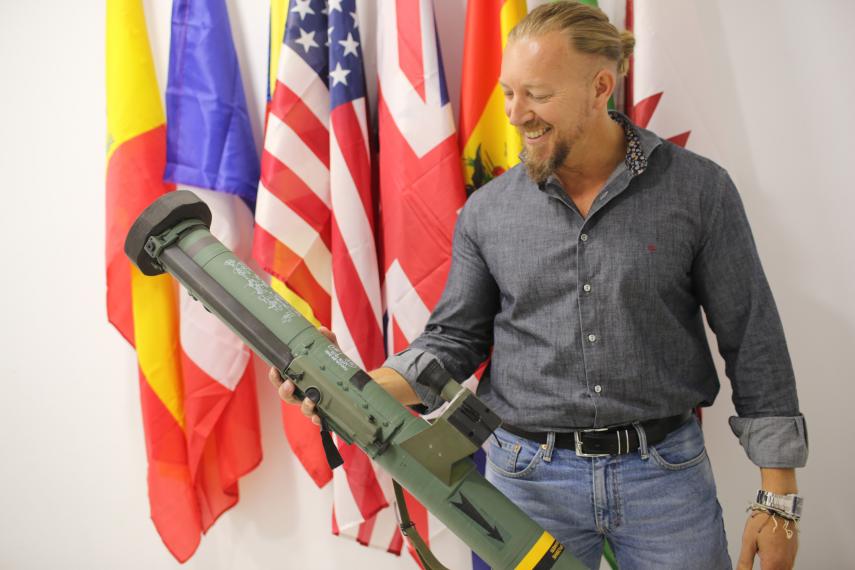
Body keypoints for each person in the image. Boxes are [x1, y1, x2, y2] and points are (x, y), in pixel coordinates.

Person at [271, 2, 807, 568]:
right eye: (508, 93)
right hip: (525, 485)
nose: (515, 114)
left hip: (665, 480)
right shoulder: (487, 212)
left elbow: (752, 338)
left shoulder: (699, 191)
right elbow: (453, 343)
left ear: (600, 87)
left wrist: (780, 501)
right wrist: (345, 385)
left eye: (538, 94)